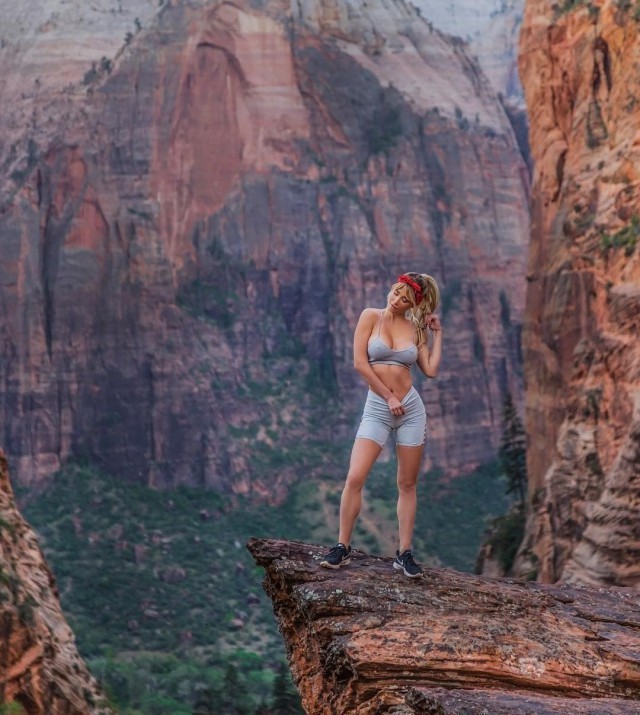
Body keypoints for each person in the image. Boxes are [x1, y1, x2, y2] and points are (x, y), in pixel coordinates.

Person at [320, 272, 442, 578]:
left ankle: (404, 553)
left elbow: (429, 370)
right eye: (396, 292)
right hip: (378, 408)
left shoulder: (416, 329)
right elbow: (360, 363)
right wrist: (388, 397)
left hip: (410, 410)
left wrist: (437, 335)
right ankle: (342, 547)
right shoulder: (370, 316)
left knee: (407, 484)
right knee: (355, 477)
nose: (397, 300)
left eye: (405, 299)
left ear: (413, 304)